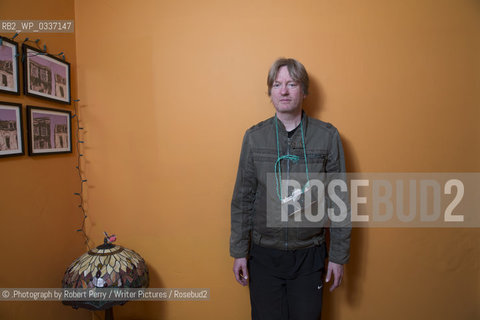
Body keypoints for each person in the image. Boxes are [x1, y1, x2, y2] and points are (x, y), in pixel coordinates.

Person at [230, 58, 351, 320]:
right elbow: (243, 198)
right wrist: (239, 252)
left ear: (304, 91)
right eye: (277, 84)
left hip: (309, 256)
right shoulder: (254, 137)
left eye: (292, 84)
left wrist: (338, 256)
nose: (284, 91)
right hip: (263, 257)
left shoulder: (327, 137)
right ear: (270, 92)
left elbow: (340, 200)